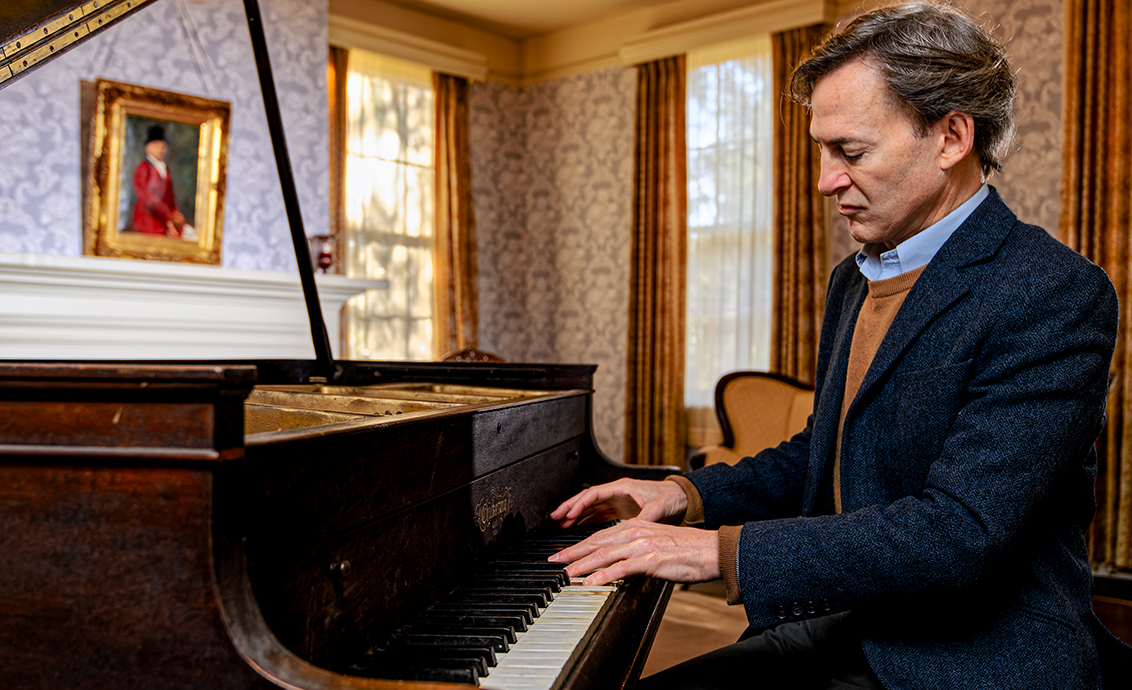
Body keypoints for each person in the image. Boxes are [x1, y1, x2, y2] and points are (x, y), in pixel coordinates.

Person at [549, 2, 1123, 688]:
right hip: (850, 619)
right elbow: (824, 449)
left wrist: (715, 552)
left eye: (849, 152)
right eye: (824, 152)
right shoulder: (852, 280)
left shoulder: (1053, 292)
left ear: (950, 137)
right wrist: (683, 495)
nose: (825, 181)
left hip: (968, 653)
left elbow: (958, 533)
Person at [131, 124, 185, 238]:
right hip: (148, 220)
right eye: (156, 145)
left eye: (163, 146)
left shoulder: (165, 168)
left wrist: (176, 213)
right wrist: (169, 217)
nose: (160, 149)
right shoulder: (143, 169)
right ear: (148, 148)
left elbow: (170, 196)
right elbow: (149, 199)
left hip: (164, 220)